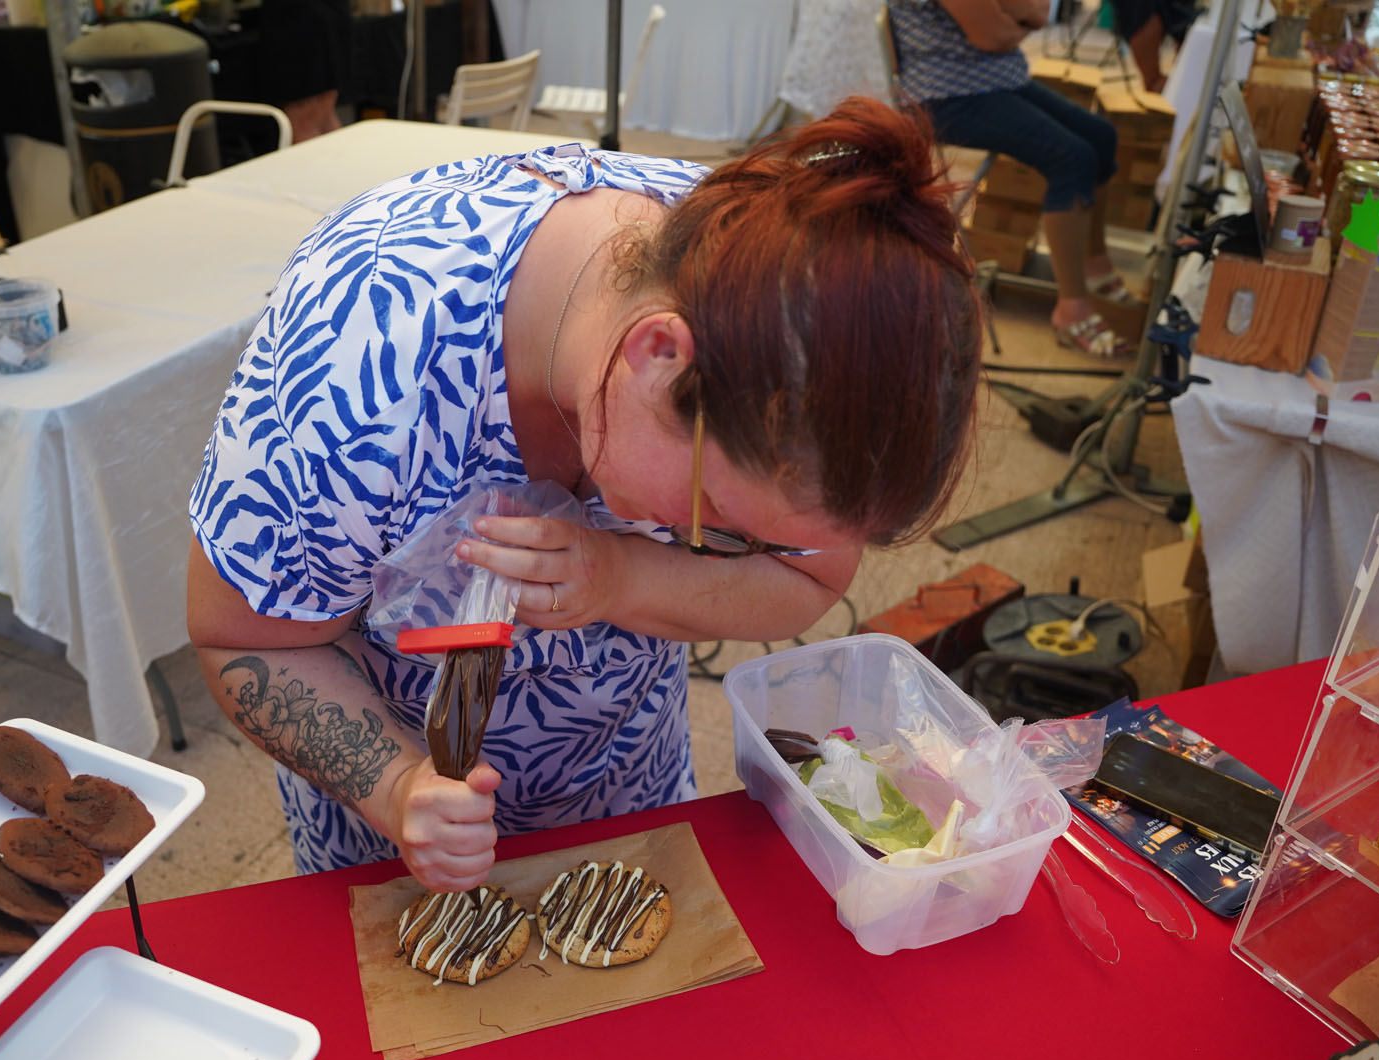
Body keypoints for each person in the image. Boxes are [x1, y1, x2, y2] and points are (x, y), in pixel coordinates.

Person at [186, 97, 983, 891]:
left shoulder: (784, 318)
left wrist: (622, 577)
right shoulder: (362, 357)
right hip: (390, 846)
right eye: (715, 518)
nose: (720, 542)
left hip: (630, 793)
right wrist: (395, 789)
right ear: (658, 354)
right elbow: (247, 639)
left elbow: (807, 577)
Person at [888, 0, 1134, 357]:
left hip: (996, 77)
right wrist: (1015, 20)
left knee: (1101, 136)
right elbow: (992, 35)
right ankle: (1072, 309)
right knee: (1072, 157)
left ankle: (1094, 263)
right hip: (947, 95)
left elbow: (1037, 12)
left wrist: (1015, 20)